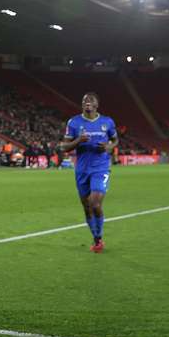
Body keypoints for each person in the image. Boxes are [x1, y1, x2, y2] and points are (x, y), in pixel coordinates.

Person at [59, 92, 117, 252]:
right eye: (85, 100)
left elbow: (115, 140)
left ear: (97, 104)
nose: (87, 102)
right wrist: (78, 141)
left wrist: (109, 147)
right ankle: (97, 239)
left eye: (91, 100)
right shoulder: (74, 122)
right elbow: (64, 146)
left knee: (95, 203)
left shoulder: (107, 122)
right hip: (82, 169)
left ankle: (99, 236)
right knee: (86, 206)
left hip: (101, 167)